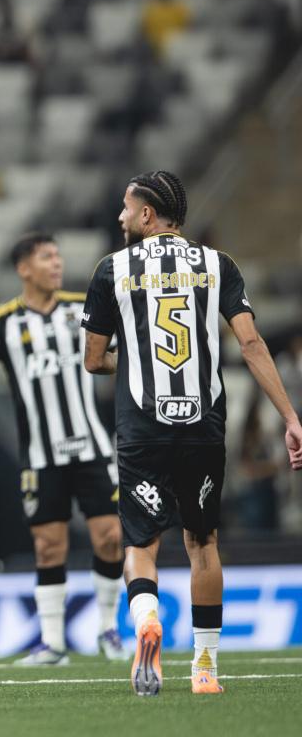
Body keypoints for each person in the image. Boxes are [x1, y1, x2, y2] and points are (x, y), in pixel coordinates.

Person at [82, 170, 302, 696]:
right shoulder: (217, 264)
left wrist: (136, 359)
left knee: (141, 543)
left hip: (142, 427)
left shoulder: (112, 268)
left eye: (126, 208)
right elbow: (251, 345)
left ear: (147, 215)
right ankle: (204, 669)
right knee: (203, 543)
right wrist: (292, 418)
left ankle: (147, 621)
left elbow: (93, 359)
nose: (120, 217)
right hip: (202, 426)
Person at [0, 233, 127, 665]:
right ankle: (53, 643)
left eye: (58, 256)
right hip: (41, 455)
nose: (57, 263)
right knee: (48, 546)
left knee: (110, 537)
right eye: (46, 257)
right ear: (23, 268)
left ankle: (108, 629)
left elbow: (122, 354)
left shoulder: (83, 309)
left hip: (92, 446)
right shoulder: (3, 322)